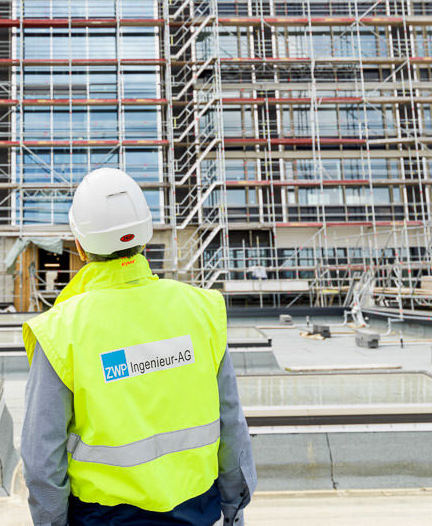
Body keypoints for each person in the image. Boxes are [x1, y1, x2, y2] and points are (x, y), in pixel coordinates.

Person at [21, 167, 256, 526]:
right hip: (198, 513)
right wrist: (233, 514)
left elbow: (42, 462)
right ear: (145, 239)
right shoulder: (202, 310)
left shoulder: (60, 331)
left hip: (103, 518)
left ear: (80, 247)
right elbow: (232, 427)